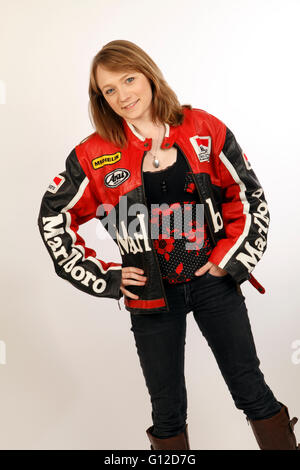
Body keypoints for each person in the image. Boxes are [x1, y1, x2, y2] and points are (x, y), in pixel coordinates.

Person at [37, 39, 299, 450]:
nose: (123, 95)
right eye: (109, 90)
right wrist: (106, 278)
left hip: (213, 282)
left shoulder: (202, 127)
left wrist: (226, 260)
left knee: (251, 390)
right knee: (167, 410)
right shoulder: (93, 154)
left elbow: (247, 196)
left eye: (129, 79)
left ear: (148, 75)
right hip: (150, 295)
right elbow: (54, 218)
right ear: (101, 99)